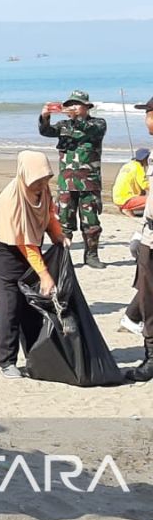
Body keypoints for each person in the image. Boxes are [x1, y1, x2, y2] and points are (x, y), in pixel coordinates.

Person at [0, 151, 65, 379]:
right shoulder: (13, 198)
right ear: (25, 177)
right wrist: (45, 275)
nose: (42, 184)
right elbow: (25, 243)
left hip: (29, 246)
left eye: (46, 178)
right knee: (11, 305)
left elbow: (48, 215)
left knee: (31, 306)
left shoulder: (42, 189)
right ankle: (6, 361)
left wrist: (57, 235)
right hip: (5, 250)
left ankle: (34, 355)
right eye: (37, 181)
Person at [39, 90, 107, 268]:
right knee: (64, 223)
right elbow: (45, 131)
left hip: (89, 182)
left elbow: (90, 130)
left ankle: (91, 255)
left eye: (77, 104)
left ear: (86, 107)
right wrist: (44, 117)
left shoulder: (98, 123)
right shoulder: (63, 125)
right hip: (67, 183)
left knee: (91, 223)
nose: (73, 107)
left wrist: (77, 119)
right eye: (70, 104)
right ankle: (62, 257)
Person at [124, 96, 153, 382]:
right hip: (149, 235)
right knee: (147, 296)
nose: (146, 121)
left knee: (148, 296)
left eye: (148, 114)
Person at [112, 148, 149, 216]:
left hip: (117, 198)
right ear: (145, 158)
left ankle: (127, 209)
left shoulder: (127, 165)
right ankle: (127, 208)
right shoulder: (138, 168)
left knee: (142, 193)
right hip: (126, 199)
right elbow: (145, 185)